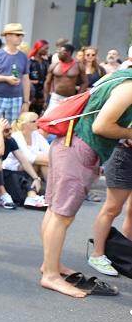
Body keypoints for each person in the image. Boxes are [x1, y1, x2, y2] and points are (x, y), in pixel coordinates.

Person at [40, 67, 132, 297]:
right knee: (63, 215)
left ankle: (50, 266)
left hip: (69, 142)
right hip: (79, 147)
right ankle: (50, 275)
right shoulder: (129, 87)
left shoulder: (119, 76)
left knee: (55, 211)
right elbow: (100, 126)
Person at [88, 138, 132, 276]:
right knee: (112, 209)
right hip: (125, 156)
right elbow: (104, 127)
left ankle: (126, 252)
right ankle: (97, 255)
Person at [0, 23, 30, 122]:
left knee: (12, 131)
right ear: (8, 36)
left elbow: (26, 80)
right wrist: (6, 79)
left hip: (16, 98)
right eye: (17, 35)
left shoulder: (23, 56)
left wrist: (26, 102)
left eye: (21, 35)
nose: (21, 37)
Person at [44, 43, 88, 112]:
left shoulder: (78, 66)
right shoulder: (54, 66)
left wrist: (78, 96)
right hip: (56, 97)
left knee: (66, 120)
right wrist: (46, 99)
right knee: (49, 117)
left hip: (71, 98)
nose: (58, 54)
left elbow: (85, 82)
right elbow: (47, 82)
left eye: (61, 52)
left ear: (68, 53)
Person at [28, 40, 50, 114]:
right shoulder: (30, 62)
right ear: (39, 48)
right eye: (45, 48)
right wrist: (33, 81)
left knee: (38, 113)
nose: (47, 51)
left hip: (42, 92)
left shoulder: (46, 62)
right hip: (31, 92)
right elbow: (24, 78)